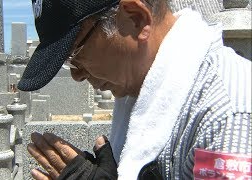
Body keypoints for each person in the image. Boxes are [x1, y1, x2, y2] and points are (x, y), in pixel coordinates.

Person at [18, 0, 252, 179]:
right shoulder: (141, 89)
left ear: (136, 19)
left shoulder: (227, 117)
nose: (76, 74)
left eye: (74, 53)